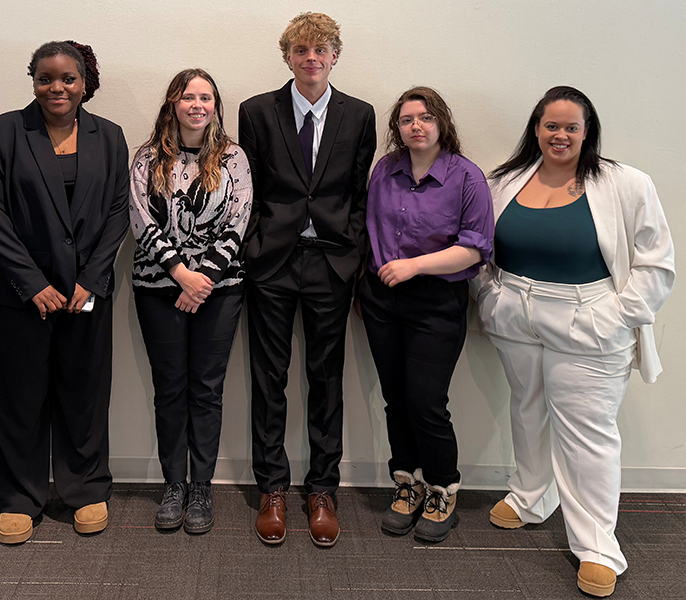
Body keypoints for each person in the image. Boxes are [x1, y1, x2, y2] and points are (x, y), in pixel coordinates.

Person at [474, 86, 675, 597]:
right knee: (527, 409)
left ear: (588, 132)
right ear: (536, 129)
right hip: (514, 313)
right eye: (551, 125)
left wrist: (618, 316)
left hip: (589, 319)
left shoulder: (626, 183)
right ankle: (531, 497)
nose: (559, 135)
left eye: (571, 127)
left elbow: (656, 263)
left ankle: (598, 547)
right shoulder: (504, 180)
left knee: (586, 433)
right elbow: (478, 244)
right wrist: (489, 295)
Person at [0, 41, 129, 544]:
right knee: (18, 395)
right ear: (33, 81)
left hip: (86, 291)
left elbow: (118, 212)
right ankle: (19, 497)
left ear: (85, 82)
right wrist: (32, 282)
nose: (56, 87)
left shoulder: (110, 136)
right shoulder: (2, 132)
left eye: (67, 78)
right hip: (19, 293)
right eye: (45, 78)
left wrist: (92, 279)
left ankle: (85, 488)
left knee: (85, 392)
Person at [238, 12, 376, 547]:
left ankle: (322, 489)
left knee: (326, 379)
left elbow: (360, 193)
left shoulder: (359, 114)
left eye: (321, 50)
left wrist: (354, 253)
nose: (311, 58)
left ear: (335, 56)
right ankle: (272, 486)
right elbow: (248, 187)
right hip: (271, 262)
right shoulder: (257, 111)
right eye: (301, 50)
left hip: (332, 262)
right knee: (268, 378)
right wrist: (253, 246)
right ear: (288, 57)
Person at [359, 87, 494, 543]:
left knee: (426, 402)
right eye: (406, 119)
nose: (416, 126)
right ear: (397, 128)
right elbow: (369, 230)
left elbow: (475, 248)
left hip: (436, 301)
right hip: (382, 299)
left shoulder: (466, 177)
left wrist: (414, 266)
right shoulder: (385, 169)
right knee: (395, 398)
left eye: (425, 117)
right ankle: (407, 483)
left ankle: (441, 489)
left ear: (442, 122)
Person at [130, 69, 252, 534]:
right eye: (188, 97)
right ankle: (173, 484)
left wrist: (203, 281)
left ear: (215, 105)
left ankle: (201, 485)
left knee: (206, 389)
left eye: (206, 97)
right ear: (173, 104)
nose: (197, 105)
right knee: (170, 389)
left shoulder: (233, 157)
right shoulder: (147, 158)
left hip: (220, 291)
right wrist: (182, 275)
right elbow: (140, 220)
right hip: (158, 288)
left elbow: (239, 219)